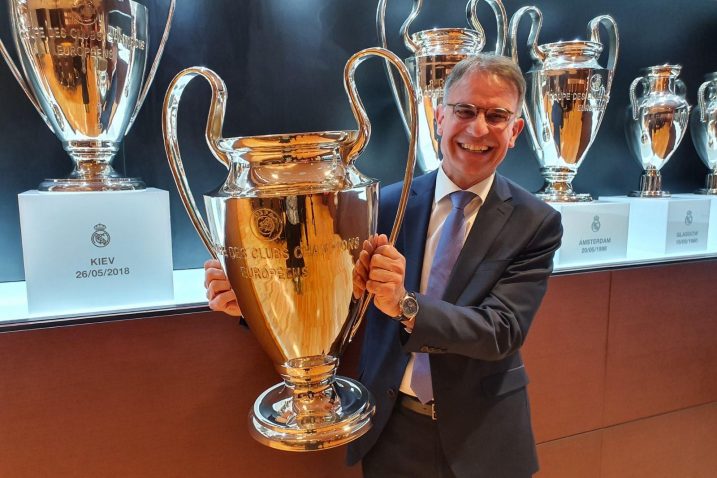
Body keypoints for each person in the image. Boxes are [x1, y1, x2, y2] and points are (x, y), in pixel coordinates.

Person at [204, 53, 563, 478]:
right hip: (391, 431)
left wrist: (406, 305)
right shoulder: (381, 206)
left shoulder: (536, 221)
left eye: (497, 116)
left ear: (516, 130)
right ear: (438, 117)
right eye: (465, 110)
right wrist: (253, 300)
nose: (479, 128)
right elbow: (329, 300)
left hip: (484, 439)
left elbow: (501, 331)